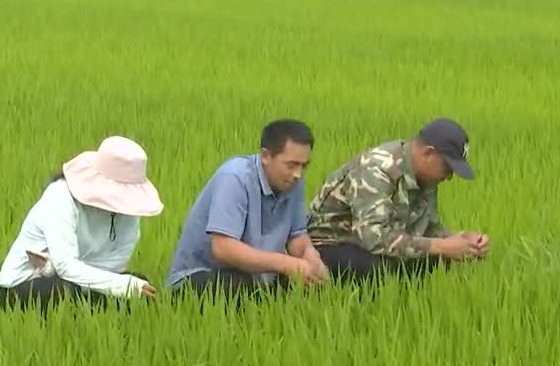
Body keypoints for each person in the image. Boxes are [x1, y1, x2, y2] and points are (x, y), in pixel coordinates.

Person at [306, 117, 490, 286]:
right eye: (448, 168)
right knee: (380, 270)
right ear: (428, 154)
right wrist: (442, 246)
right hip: (330, 243)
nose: (449, 177)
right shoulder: (377, 170)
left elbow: (428, 228)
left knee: (439, 260)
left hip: (369, 242)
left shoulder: (427, 178)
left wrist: (462, 240)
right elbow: (373, 238)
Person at [0, 136, 163, 317]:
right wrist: (123, 285)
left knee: (139, 287)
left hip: (80, 283)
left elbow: (112, 267)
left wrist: (127, 286)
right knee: (65, 291)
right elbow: (65, 266)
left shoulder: (131, 212)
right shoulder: (60, 197)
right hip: (29, 284)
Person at [166, 119, 329, 301]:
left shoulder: (293, 183)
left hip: (256, 275)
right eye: (291, 165)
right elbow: (223, 248)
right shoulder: (235, 178)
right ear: (265, 156)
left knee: (311, 288)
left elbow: (296, 236)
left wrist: (310, 257)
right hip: (203, 276)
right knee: (242, 289)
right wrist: (286, 263)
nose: (297, 174)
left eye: (303, 166)